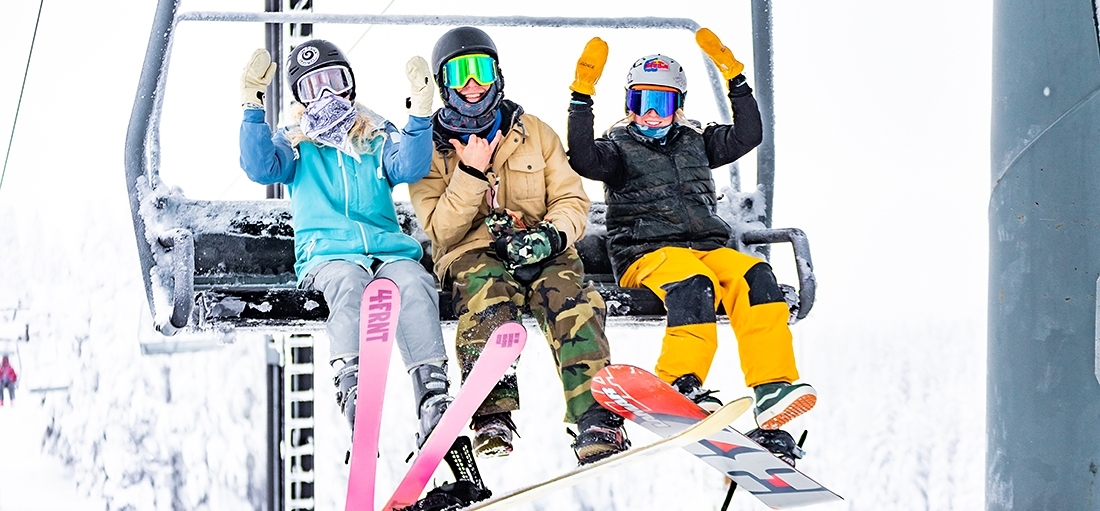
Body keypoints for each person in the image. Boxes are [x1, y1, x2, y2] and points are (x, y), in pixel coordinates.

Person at [564, 29, 817, 430]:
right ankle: (679, 379)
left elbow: (748, 135)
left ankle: (771, 387)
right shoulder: (616, 148)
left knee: (755, 275)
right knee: (695, 281)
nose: (650, 113)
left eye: (661, 102)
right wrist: (582, 98)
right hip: (646, 255)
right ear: (628, 105)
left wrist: (736, 80)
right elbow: (582, 158)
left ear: (678, 106)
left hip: (706, 248)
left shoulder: (696, 141)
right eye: (640, 101)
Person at [408, 26, 629, 465]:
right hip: (473, 252)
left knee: (573, 301)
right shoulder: (428, 151)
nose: (473, 84)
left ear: (497, 74)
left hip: (539, 246)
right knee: (487, 295)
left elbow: (570, 198)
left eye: (482, 69)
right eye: (459, 74)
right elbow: (441, 230)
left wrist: (551, 234)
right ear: (443, 83)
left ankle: (596, 420)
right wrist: (469, 174)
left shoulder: (534, 133)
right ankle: (491, 415)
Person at [238, 40, 454, 447]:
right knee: (348, 285)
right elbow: (259, 165)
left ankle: (431, 393)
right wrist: (253, 105)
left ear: (350, 85)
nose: (326, 96)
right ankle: (355, 385)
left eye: (334, 82)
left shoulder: (373, 134)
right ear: (300, 98)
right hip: (328, 255)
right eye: (312, 87)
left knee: (413, 281)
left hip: (387, 251)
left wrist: (419, 113)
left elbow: (409, 164)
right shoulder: (295, 144)